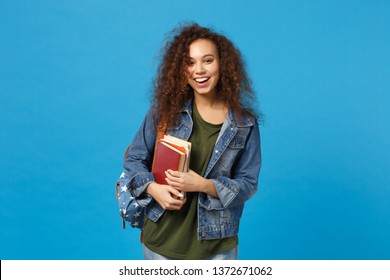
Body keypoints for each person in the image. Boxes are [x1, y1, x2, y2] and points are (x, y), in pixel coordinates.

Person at [122, 23, 262, 260]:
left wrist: (203, 185)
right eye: (190, 62)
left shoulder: (244, 124)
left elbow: (248, 183)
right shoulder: (164, 112)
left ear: (223, 65)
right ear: (181, 69)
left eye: (207, 60)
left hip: (217, 246)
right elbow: (134, 159)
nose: (199, 70)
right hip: (161, 242)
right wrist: (154, 189)